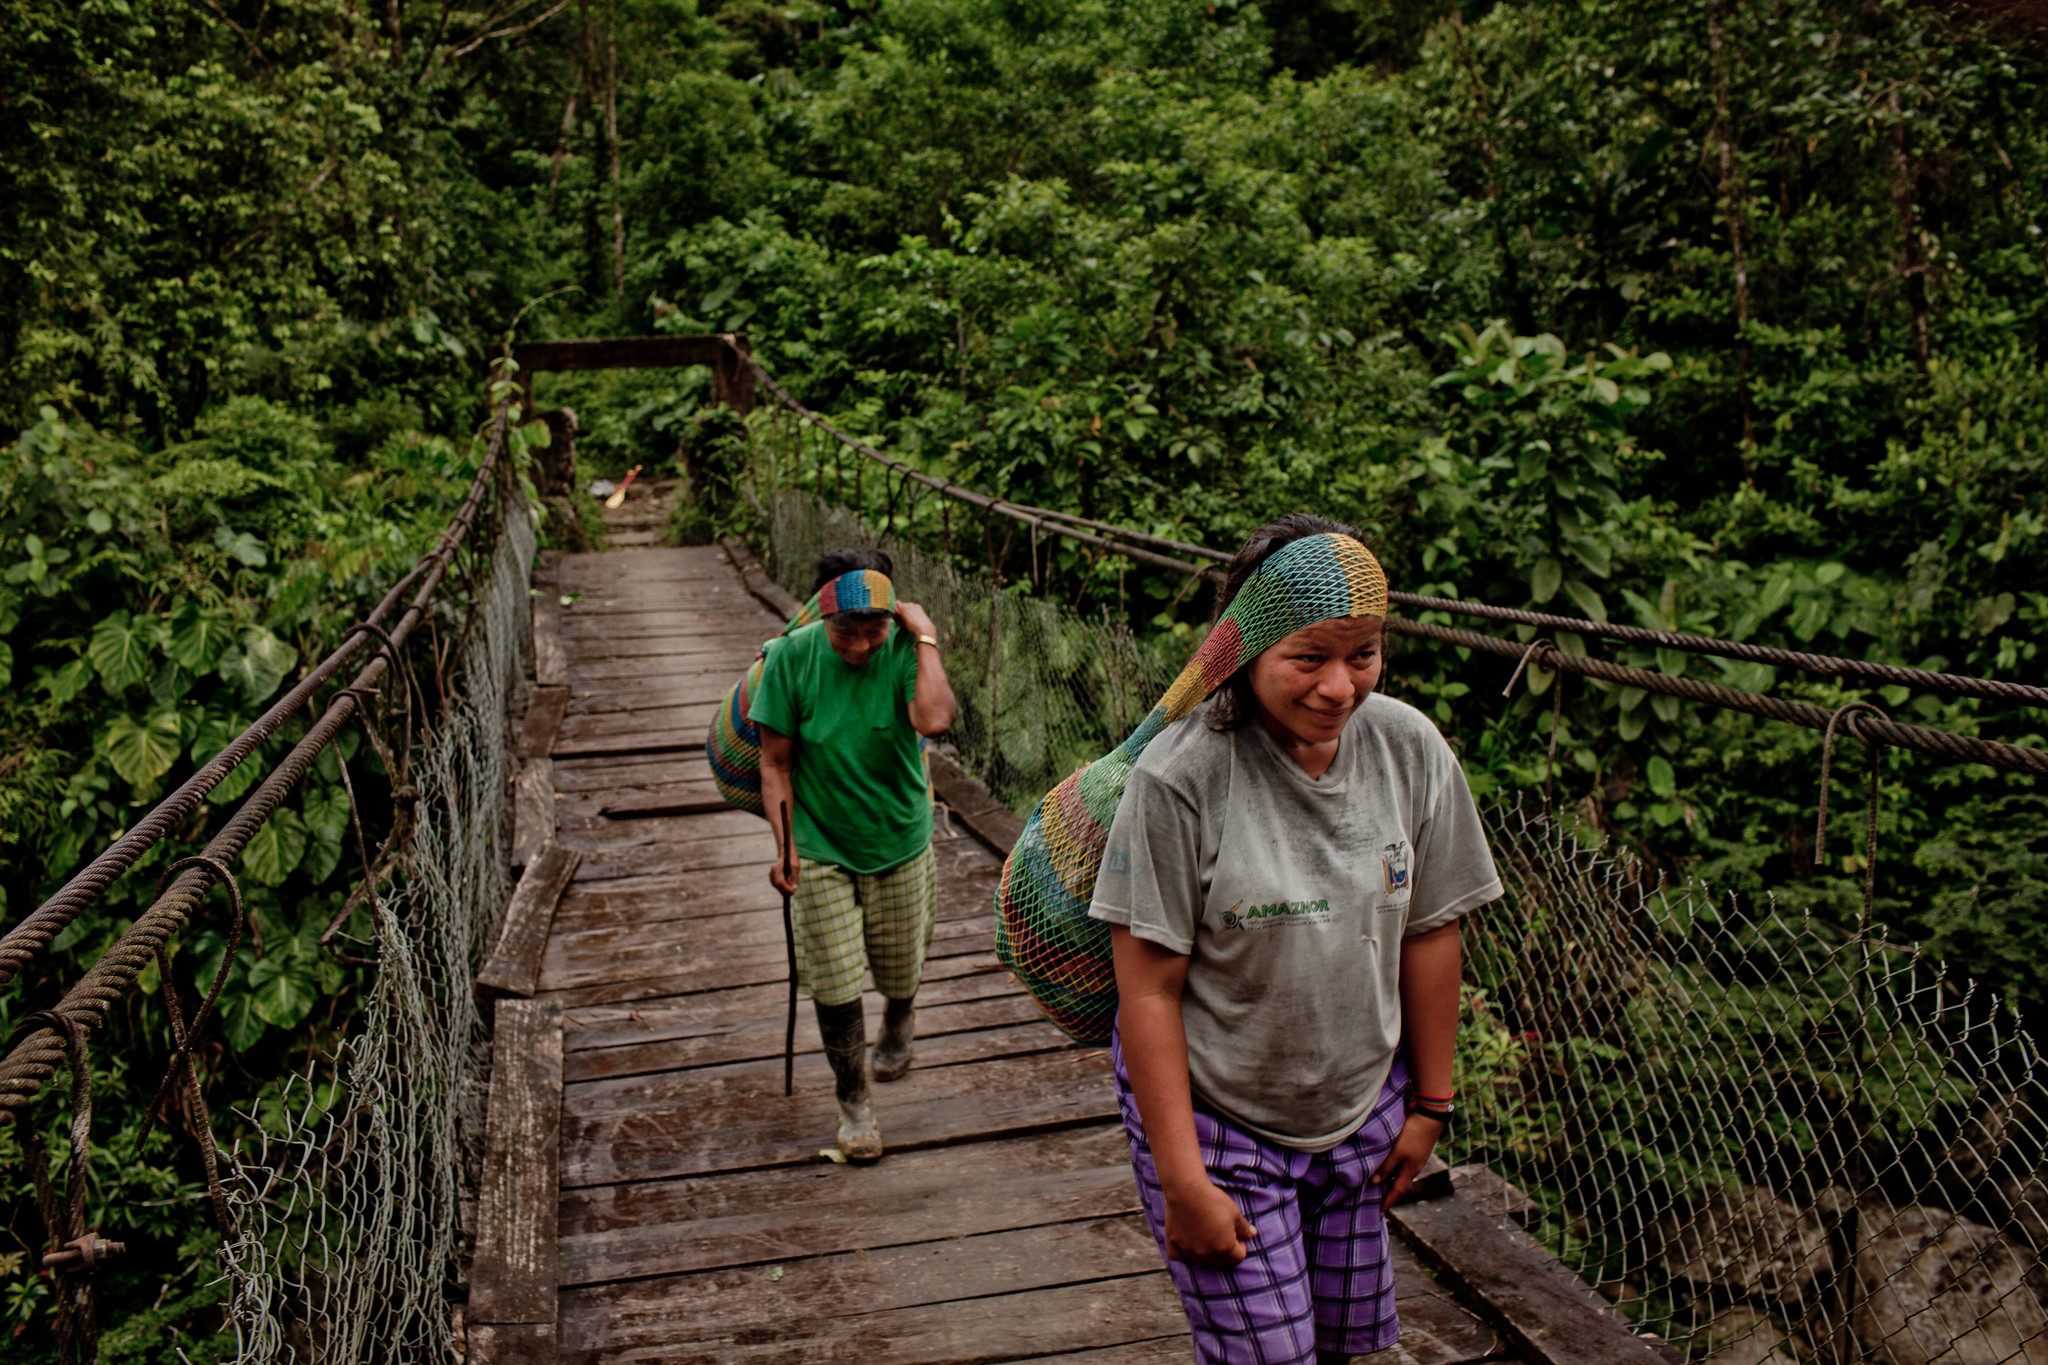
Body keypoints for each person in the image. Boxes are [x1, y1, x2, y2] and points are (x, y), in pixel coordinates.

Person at [1089, 514, 1502, 1365]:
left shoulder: (1409, 749)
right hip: (1219, 1117)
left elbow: (1431, 929)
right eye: (1308, 658)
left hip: (1357, 1109)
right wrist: (1183, 1182)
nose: (1340, 687)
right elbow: (1148, 993)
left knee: (1347, 1343)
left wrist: (1430, 1104)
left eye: (1364, 654)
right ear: (1245, 649)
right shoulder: (1180, 778)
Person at [751, 548, 957, 1161]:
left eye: (876, 628)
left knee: (900, 967)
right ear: (820, 614)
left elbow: (937, 718)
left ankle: (899, 1018)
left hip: (898, 837)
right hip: (819, 844)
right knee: (835, 983)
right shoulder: (788, 660)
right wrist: (784, 847)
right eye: (848, 629)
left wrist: (924, 636)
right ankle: (854, 1103)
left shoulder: (902, 651)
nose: (862, 645)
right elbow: (775, 762)